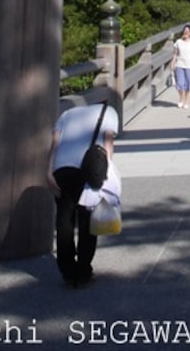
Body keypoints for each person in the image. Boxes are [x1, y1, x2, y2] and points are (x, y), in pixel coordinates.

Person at [47, 100, 120, 287]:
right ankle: (83, 270)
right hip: (88, 170)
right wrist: (105, 172)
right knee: (87, 221)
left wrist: (47, 172)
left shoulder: (67, 114)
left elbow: (54, 143)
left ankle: (67, 271)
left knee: (64, 220)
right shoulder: (109, 111)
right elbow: (108, 141)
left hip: (61, 169)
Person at [172, 25, 190, 109]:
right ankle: (181, 98)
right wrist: (172, 63)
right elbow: (175, 54)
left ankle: (186, 100)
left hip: (189, 65)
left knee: (188, 84)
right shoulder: (178, 42)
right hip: (179, 64)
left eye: (187, 31)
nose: (186, 33)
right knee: (180, 84)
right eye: (184, 31)